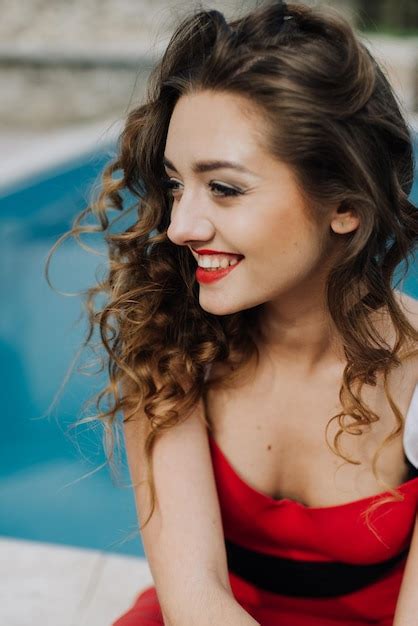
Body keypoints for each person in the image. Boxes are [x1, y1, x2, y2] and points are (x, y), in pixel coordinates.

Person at [47, 1, 418, 624]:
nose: (180, 226)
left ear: (346, 206)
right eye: (174, 185)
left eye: (223, 188)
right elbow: (194, 599)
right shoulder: (171, 335)